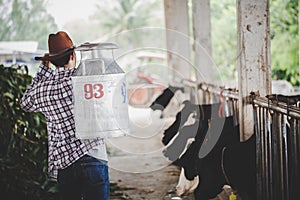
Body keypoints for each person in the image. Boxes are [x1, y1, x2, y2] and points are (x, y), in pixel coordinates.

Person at [20, 31, 109, 200]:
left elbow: (25, 103)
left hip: (65, 163)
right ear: (73, 55)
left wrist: (43, 70)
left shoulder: (43, 90)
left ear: (52, 62)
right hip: (93, 155)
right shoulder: (84, 80)